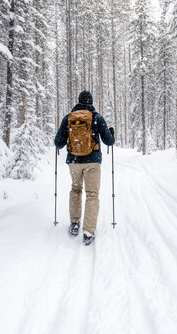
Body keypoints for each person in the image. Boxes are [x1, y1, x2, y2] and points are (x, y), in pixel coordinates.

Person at [54, 90, 115, 245]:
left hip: (74, 162)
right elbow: (109, 141)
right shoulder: (96, 117)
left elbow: (58, 143)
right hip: (93, 161)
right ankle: (88, 232)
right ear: (91, 101)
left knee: (76, 190)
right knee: (92, 195)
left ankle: (75, 224)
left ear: (78, 101)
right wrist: (111, 134)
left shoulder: (69, 118)